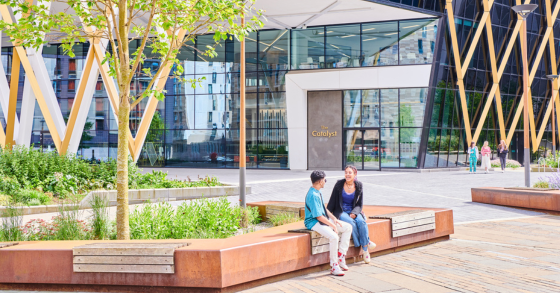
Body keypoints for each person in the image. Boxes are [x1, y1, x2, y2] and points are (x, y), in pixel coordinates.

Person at [305, 170, 353, 276]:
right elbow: (318, 216)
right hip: (313, 222)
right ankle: (334, 265)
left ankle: (341, 255)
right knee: (334, 237)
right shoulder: (313, 195)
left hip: (322, 220)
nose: (325, 182)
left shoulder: (318, 191)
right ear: (321, 181)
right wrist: (332, 225)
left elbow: (324, 209)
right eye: (325, 180)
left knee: (347, 227)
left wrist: (334, 219)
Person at [327, 166, 376, 264]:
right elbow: (332, 200)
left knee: (361, 222)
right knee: (350, 222)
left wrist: (354, 212)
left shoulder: (359, 185)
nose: (347, 174)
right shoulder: (339, 184)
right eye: (346, 172)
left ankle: (365, 250)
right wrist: (327, 214)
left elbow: (359, 204)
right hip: (341, 211)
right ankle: (366, 242)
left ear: (355, 174)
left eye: (350, 173)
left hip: (353, 210)